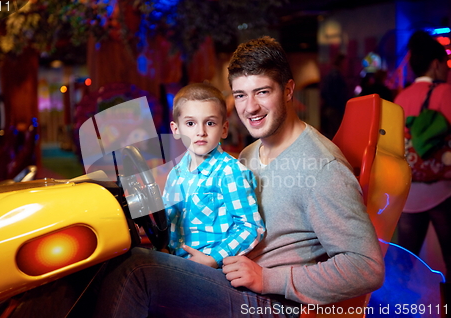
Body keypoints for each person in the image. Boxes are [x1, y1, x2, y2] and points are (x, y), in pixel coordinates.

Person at [92, 37, 384, 318]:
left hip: (271, 302)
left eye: (263, 92)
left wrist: (269, 279)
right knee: (109, 258)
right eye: (241, 95)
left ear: (288, 90)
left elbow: (366, 267)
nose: (250, 107)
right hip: (227, 279)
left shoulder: (321, 168)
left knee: (137, 271)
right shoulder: (249, 153)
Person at [163, 83, 265, 268]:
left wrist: (213, 259)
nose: (200, 131)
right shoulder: (175, 173)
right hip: (177, 263)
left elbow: (251, 228)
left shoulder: (229, 172)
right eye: (190, 123)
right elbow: (168, 220)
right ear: (176, 129)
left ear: (224, 129)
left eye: (210, 123)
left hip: (212, 270)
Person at [394, 30, 451, 280]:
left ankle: (394, 312)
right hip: (443, 191)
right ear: (437, 63)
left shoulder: (401, 97)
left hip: (409, 194)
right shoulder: (446, 93)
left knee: (404, 265)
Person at [320, 53, 349, 139]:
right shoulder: (336, 76)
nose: (347, 66)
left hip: (330, 108)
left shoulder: (330, 75)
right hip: (335, 110)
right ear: (341, 63)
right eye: (345, 63)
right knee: (335, 135)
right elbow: (337, 94)